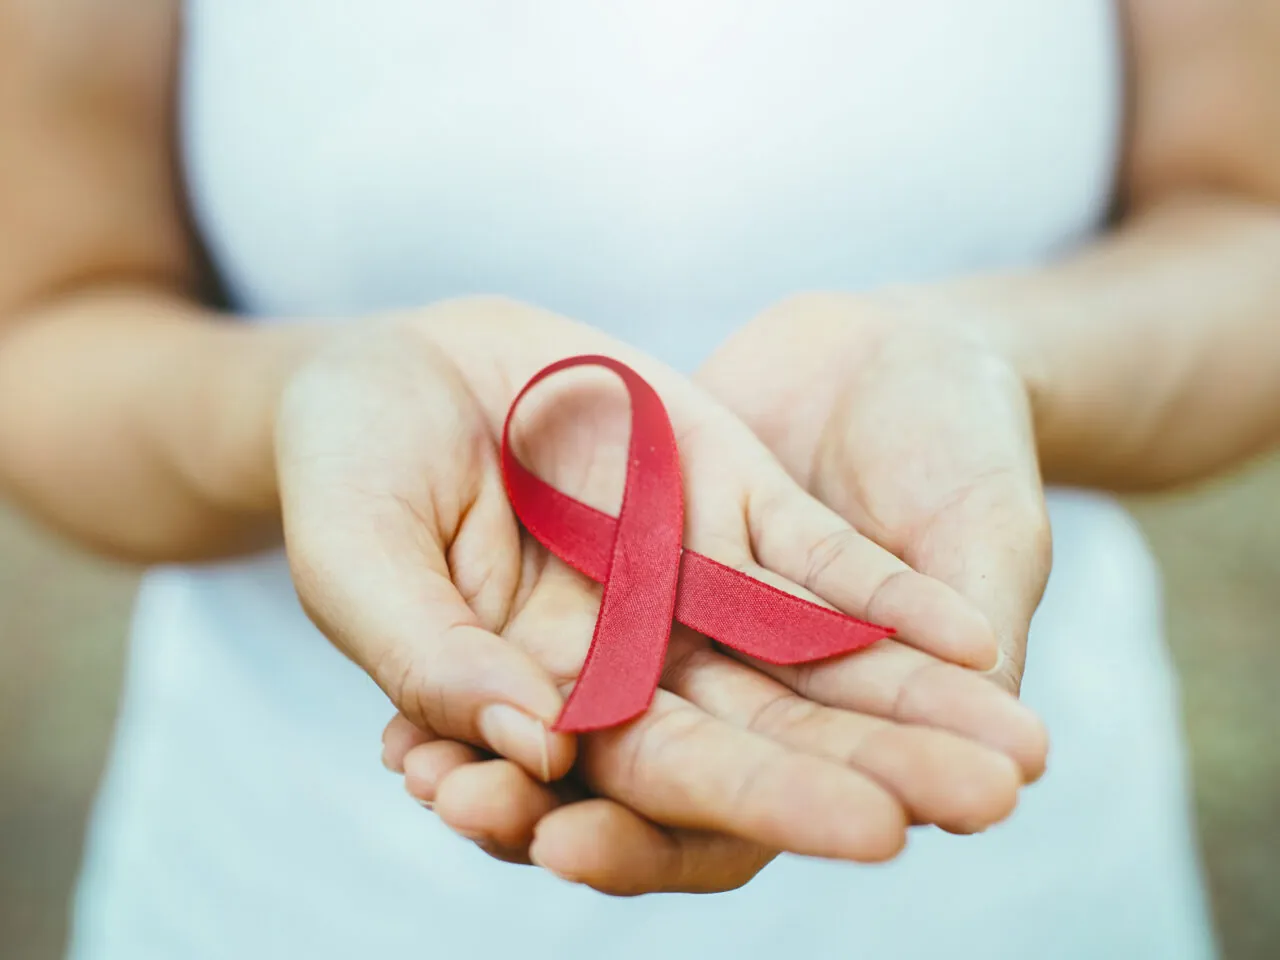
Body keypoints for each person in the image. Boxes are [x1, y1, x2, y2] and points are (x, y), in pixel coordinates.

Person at [2, 0, 1277, 957]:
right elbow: (40, 332)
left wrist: (999, 363)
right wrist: (292, 404)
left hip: (1010, 882)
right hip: (288, 888)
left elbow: (1246, 230)